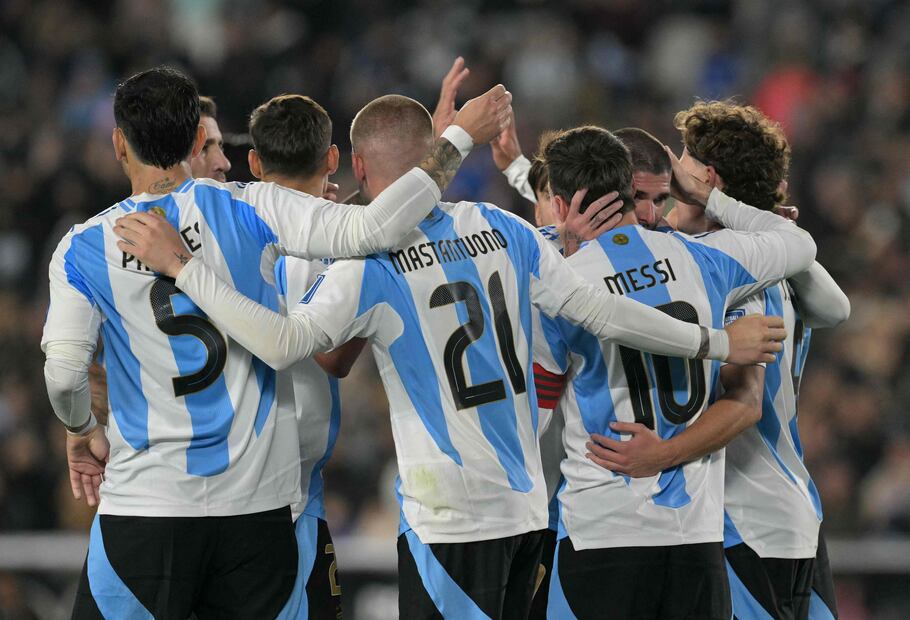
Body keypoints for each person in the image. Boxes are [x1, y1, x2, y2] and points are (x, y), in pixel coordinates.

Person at [119, 94, 785, 619]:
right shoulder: (504, 227)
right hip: (529, 516)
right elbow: (601, 310)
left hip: (451, 522)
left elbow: (287, 344)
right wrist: (717, 342)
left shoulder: (365, 265)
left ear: (357, 167)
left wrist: (183, 267)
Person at [41, 65, 513, 618]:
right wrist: (453, 141)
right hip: (259, 510)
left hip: (146, 507)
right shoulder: (254, 205)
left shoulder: (82, 247)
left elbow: (64, 374)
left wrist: (80, 430)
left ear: (119, 144)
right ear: (195, 142)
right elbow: (373, 229)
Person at [533, 125, 817, 620]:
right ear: (631, 189)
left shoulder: (561, 285)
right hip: (696, 539)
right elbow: (799, 243)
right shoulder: (706, 259)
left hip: (603, 526)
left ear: (560, 205)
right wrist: (708, 197)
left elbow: (539, 402)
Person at [666, 101, 848, 620]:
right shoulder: (777, 260)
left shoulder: (720, 267)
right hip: (795, 515)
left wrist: (659, 456)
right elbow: (837, 309)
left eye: (682, 160)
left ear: (706, 177)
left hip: (744, 523)